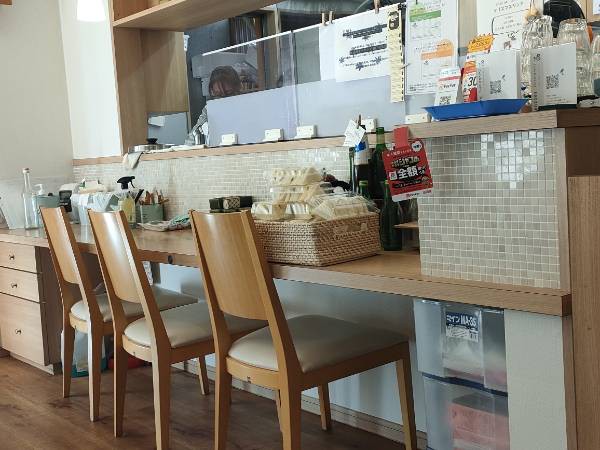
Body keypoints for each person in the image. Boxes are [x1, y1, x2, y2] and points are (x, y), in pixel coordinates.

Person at [186, 66, 242, 145]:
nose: (223, 99)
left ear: (238, 88)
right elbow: (192, 137)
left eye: (228, 93)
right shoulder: (209, 109)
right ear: (212, 92)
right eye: (218, 95)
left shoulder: (247, 104)